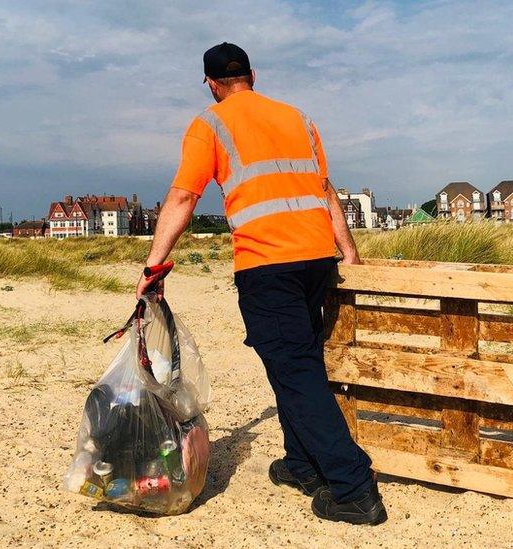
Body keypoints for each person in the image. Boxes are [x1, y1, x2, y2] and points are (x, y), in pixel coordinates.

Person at [136, 42, 386, 525]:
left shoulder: (209, 123)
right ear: (252, 75)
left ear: (211, 84)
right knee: (297, 362)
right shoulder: (299, 118)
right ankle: (301, 464)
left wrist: (153, 266)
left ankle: (353, 488)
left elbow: (185, 196)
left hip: (266, 264)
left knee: (294, 370)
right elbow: (325, 190)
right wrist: (349, 253)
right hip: (317, 260)